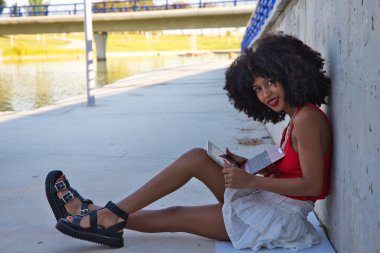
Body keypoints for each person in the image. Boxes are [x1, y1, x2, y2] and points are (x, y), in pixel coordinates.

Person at [45, 32, 332, 251]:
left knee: (176, 215)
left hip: (280, 218)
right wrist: (248, 164)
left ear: (289, 74)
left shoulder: (307, 120)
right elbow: (289, 161)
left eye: (271, 82)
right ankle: (104, 215)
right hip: (270, 199)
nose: (265, 94)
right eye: (257, 88)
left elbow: (313, 186)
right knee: (196, 157)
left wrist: (252, 181)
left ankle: (99, 214)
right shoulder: (297, 116)